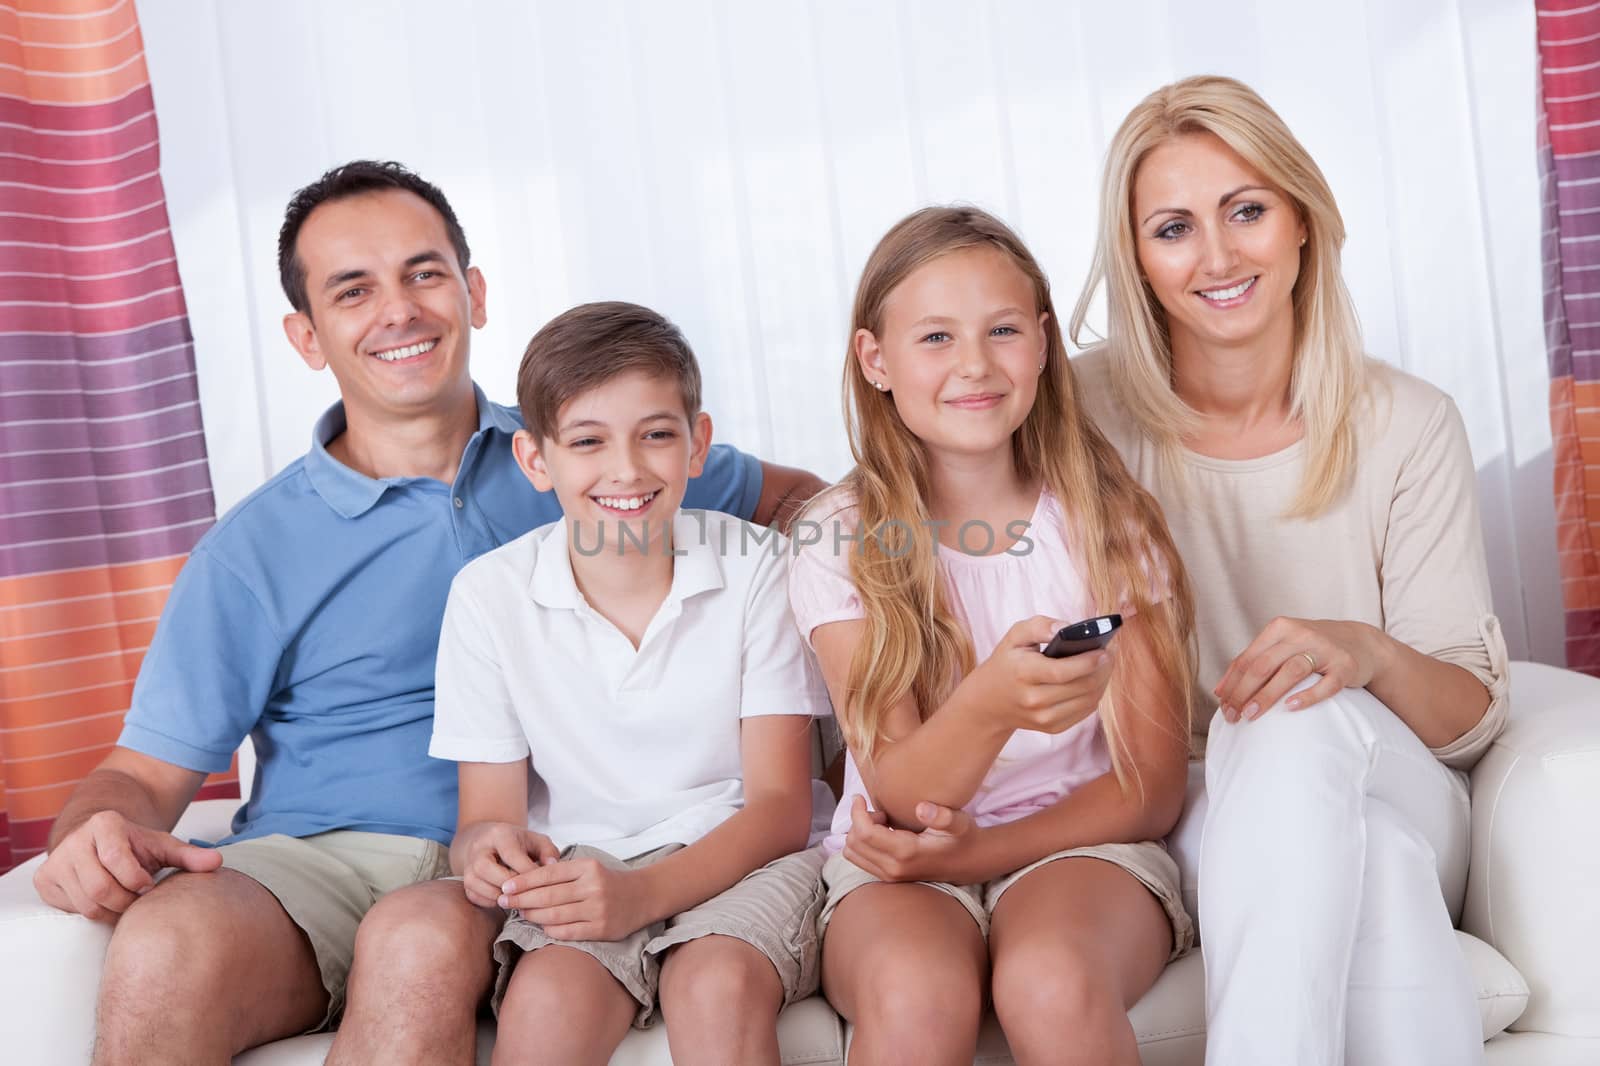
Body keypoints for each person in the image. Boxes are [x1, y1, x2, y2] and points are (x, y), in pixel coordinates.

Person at [30, 161, 824, 1065]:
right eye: (354, 289)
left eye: (424, 272)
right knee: (167, 945)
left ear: (473, 293)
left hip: (520, 866)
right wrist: (91, 831)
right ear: (306, 334)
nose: (399, 310)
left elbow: (802, 503)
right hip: (318, 860)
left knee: (419, 943)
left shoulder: (595, 456)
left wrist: (876, 627)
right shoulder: (252, 551)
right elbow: (139, 772)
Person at [1068, 76, 1510, 1065]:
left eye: (1246, 210)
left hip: (1392, 778)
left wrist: (1360, 652)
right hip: (1195, 808)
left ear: (1302, 221)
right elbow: (914, 486)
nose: (1218, 256)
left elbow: (1470, 717)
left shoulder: (1406, 422)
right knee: (1380, 877)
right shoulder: (1080, 415)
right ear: (1136, 259)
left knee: (1296, 714)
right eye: (1173, 227)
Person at [338, 300, 834, 1066]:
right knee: (545, 1005)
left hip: (746, 857)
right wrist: (490, 850)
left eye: (657, 435)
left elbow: (779, 807)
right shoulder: (488, 595)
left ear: (698, 444)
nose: (627, 470)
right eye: (588, 442)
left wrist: (643, 895)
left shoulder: (758, 566)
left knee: (716, 985)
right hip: (586, 866)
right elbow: (483, 820)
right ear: (536, 460)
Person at [789, 206, 1197, 1066]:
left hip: (1085, 842)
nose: (975, 364)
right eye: (935, 337)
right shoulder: (840, 534)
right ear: (876, 361)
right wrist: (988, 704)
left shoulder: (1109, 522)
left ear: (1043, 344)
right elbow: (900, 796)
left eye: (1003, 330)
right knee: (915, 993)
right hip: (894, 858)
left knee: (1050, 978)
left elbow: (1149, 788)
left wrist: (983, 851)